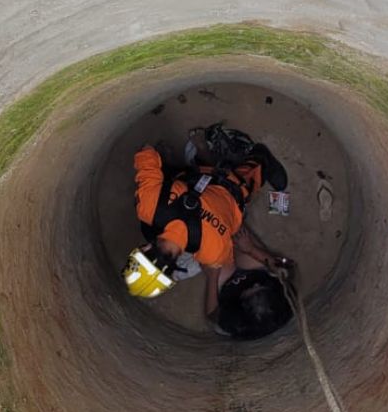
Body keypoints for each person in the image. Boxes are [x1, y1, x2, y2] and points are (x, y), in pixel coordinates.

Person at [122, 124, 288, 298]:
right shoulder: (147, 207)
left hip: (230, 190)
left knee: (240, 190)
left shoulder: (213, 254)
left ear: (172, 270)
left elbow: (232, 234)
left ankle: (260, 161)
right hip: (196, 177)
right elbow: (145, 151)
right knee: (162, 184)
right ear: (145, 247)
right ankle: (176, 161)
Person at [204, 226, 294, 339]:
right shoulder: (281, 299)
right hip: (255, 273)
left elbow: (211, 314)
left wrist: (212, 276)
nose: (256, 285)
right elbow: (281, 267)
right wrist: (250, 249)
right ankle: (231, 219)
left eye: (253, 290)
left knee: (212, 257)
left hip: (228, 290)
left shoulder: (234, 320)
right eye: (260, 287)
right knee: (240, 239)